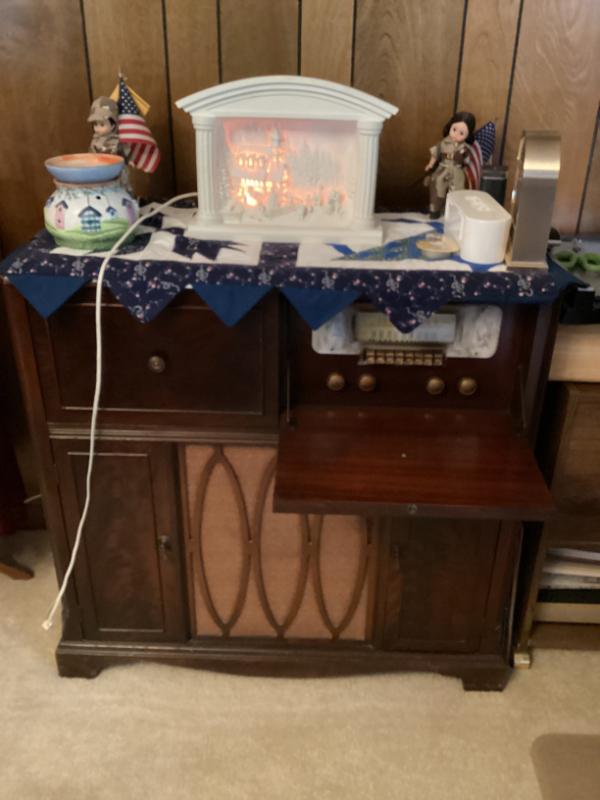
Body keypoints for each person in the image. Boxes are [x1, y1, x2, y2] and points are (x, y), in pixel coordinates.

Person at [425, 111, 476, 219]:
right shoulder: (443, 143)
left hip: (457, 171)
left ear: (468, 135)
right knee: (437, 188)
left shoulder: (465, 148)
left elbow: (467, 161)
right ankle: (435, 210)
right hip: (443, 168)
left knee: (458, 191)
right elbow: (435, 154)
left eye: (461, 133)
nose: (456, 135)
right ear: (450, 127)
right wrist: (430, 164)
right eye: (454, 130)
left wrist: (462, 157)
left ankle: (454, 213)